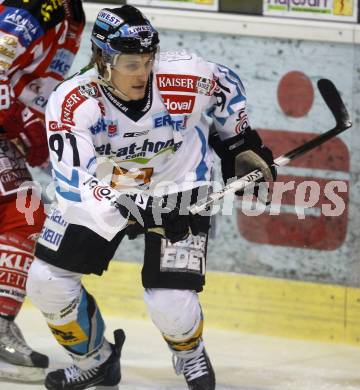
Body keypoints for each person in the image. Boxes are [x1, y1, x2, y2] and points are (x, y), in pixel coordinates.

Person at [26, 4, 276, 390]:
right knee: (47, 280)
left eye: (147, 60)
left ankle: (189, 352)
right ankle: (95, 360)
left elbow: (226, 84)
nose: (143, 73)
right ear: (103, 60)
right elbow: (75, 183)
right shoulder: (73, 102)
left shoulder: (185, 74)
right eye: (130, 64)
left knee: (170, 303)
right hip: (107, 190)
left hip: (179, 185)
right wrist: (141, 211)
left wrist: (239, 143)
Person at [0, 0, 85, 381]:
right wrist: (22, 127)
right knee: (24, 214)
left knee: (25, 213)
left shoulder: (68, 11)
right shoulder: (35, 6)